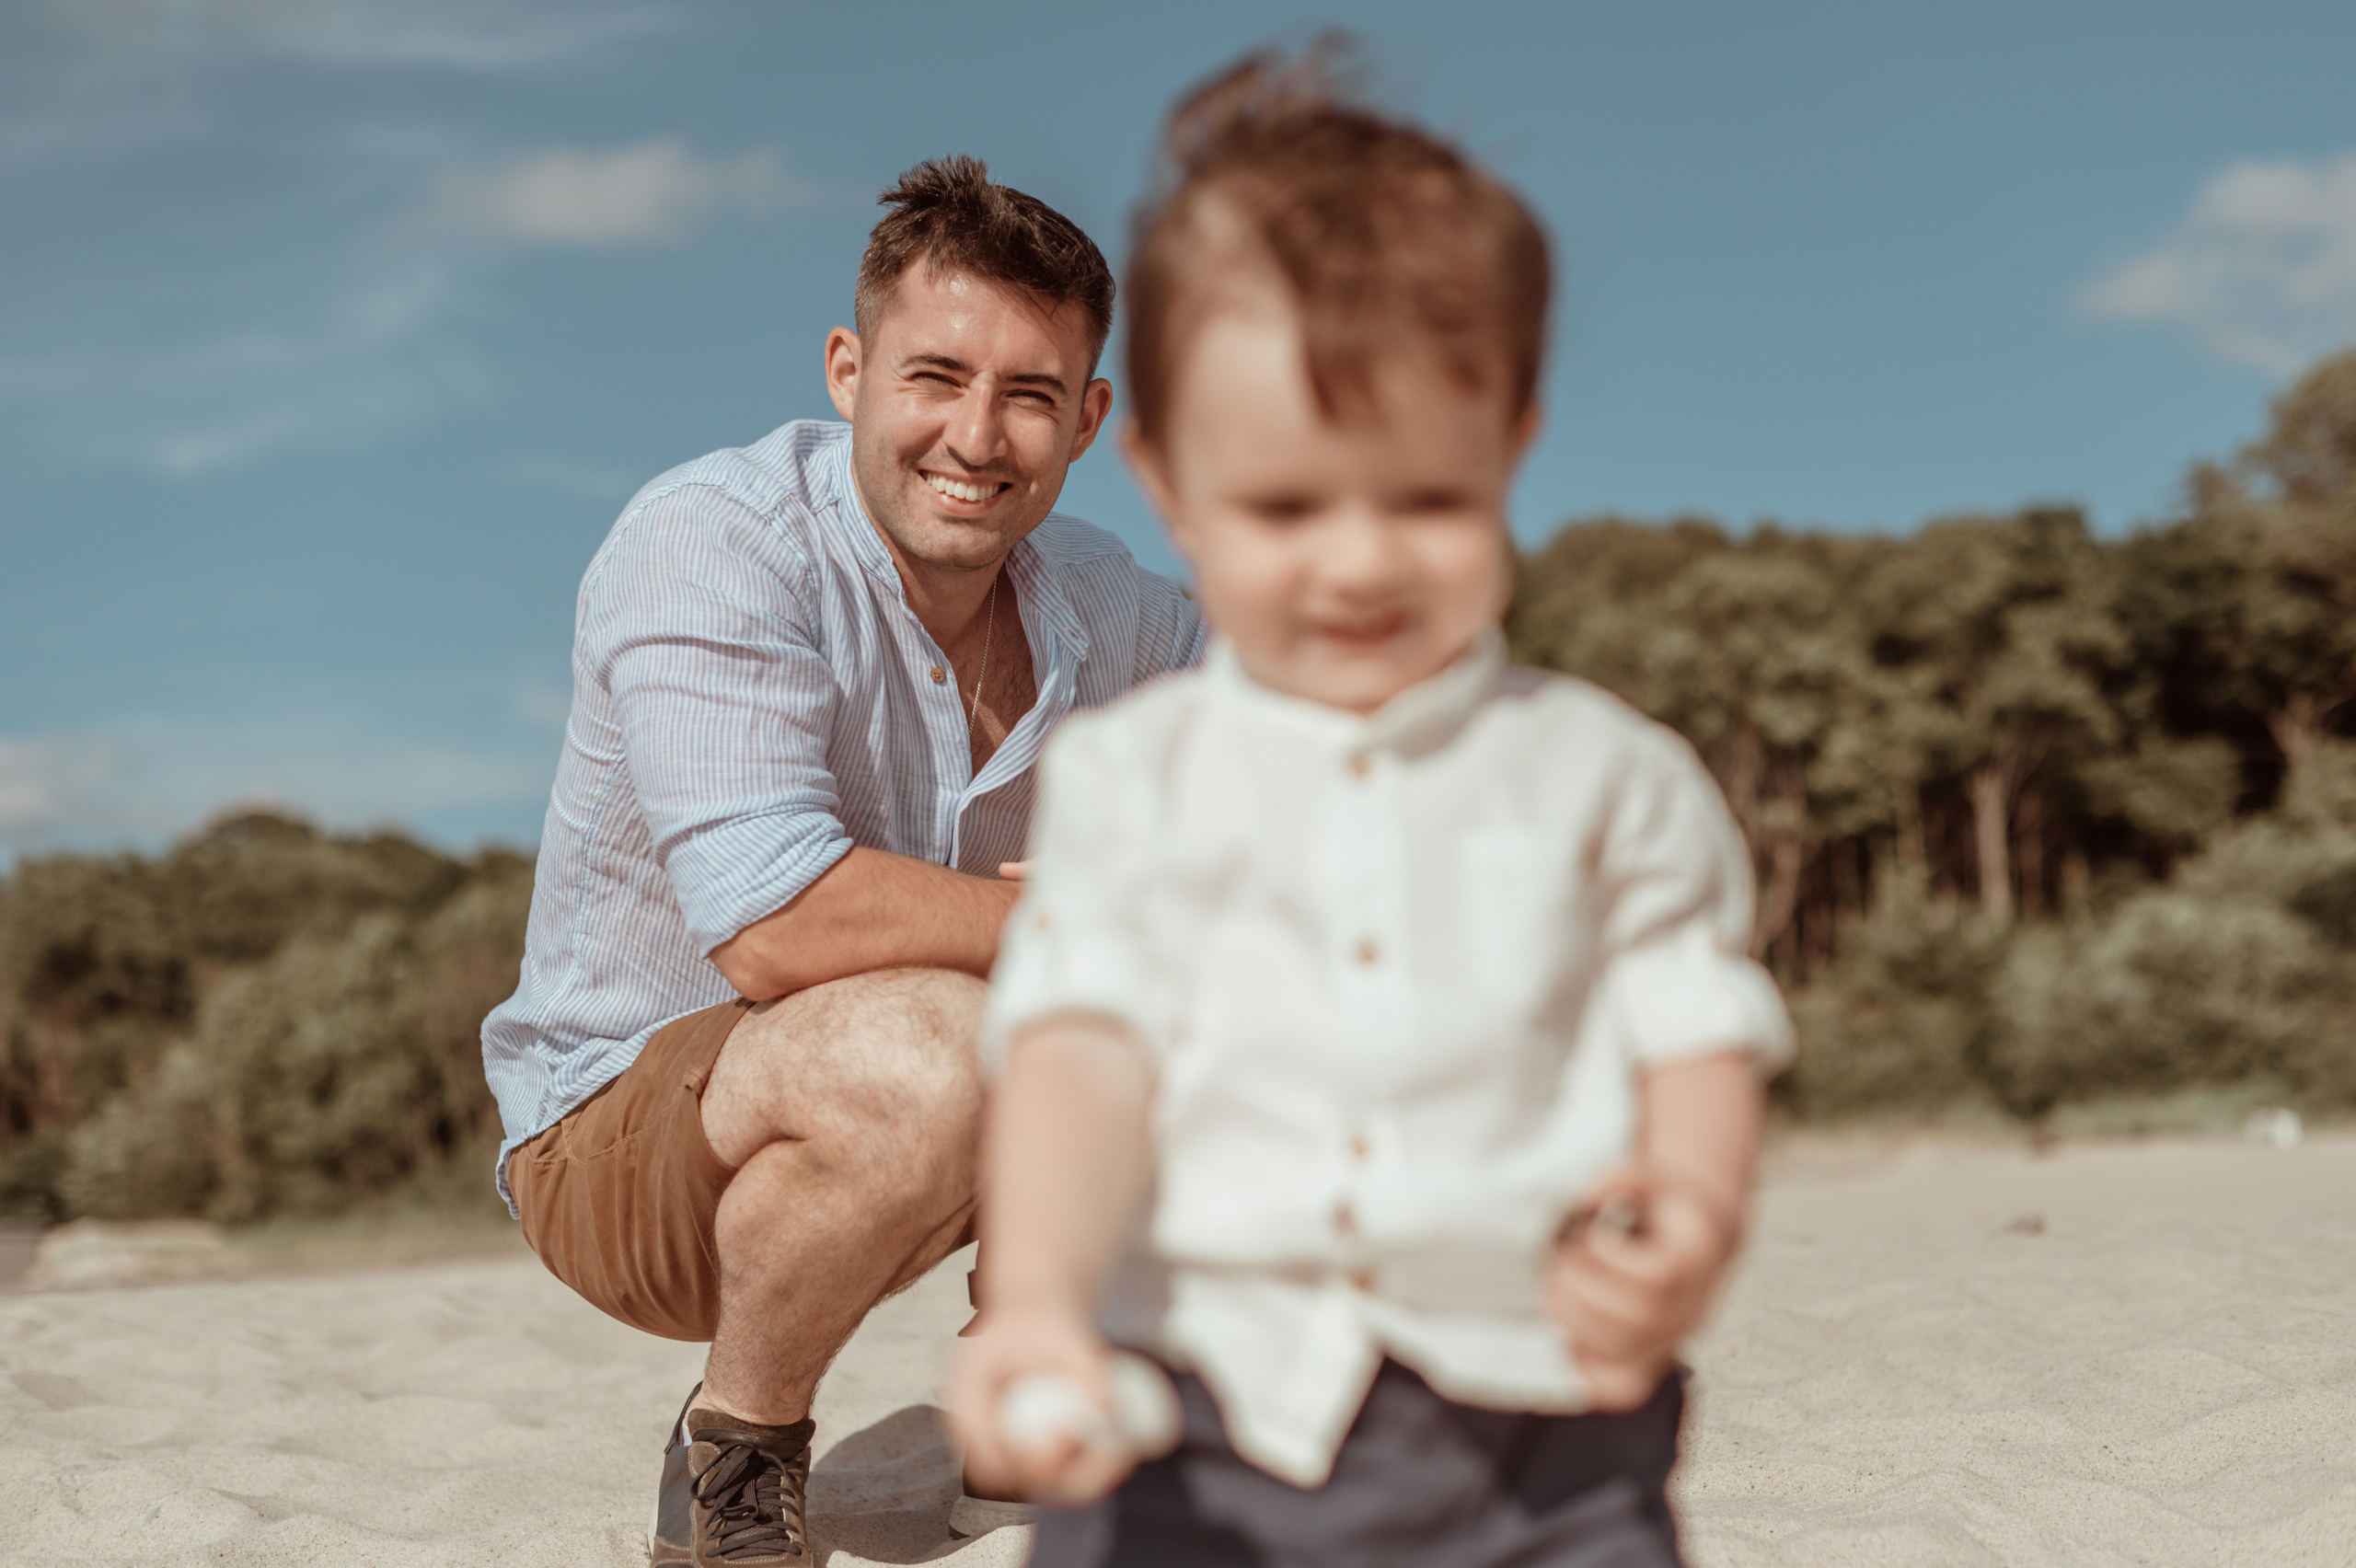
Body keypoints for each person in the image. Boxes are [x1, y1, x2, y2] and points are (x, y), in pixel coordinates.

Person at [947, 51, 1795, 1568]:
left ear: (1514, 445)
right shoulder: (1134, 781)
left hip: (1537, 1418)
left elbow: (1693, 1019)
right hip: (1189, 1405)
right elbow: (1083, 1046)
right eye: (1282, 508)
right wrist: (1035, 1306)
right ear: (1162, 477)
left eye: (1425, 500)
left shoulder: (1606, 775)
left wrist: (1688, 1209)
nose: (1356, 564)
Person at [479, 157, 1204, 1566]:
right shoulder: (714, 540)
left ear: (1089, 419)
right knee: (941, 1039)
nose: (978, 437)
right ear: (849, 371)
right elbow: (775, 925)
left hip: (938, 1097)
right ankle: (735, 1467)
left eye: (1032, 395)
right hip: (622, 1133)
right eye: (936, 377)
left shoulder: (1115, 608)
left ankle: (1028, 1424)